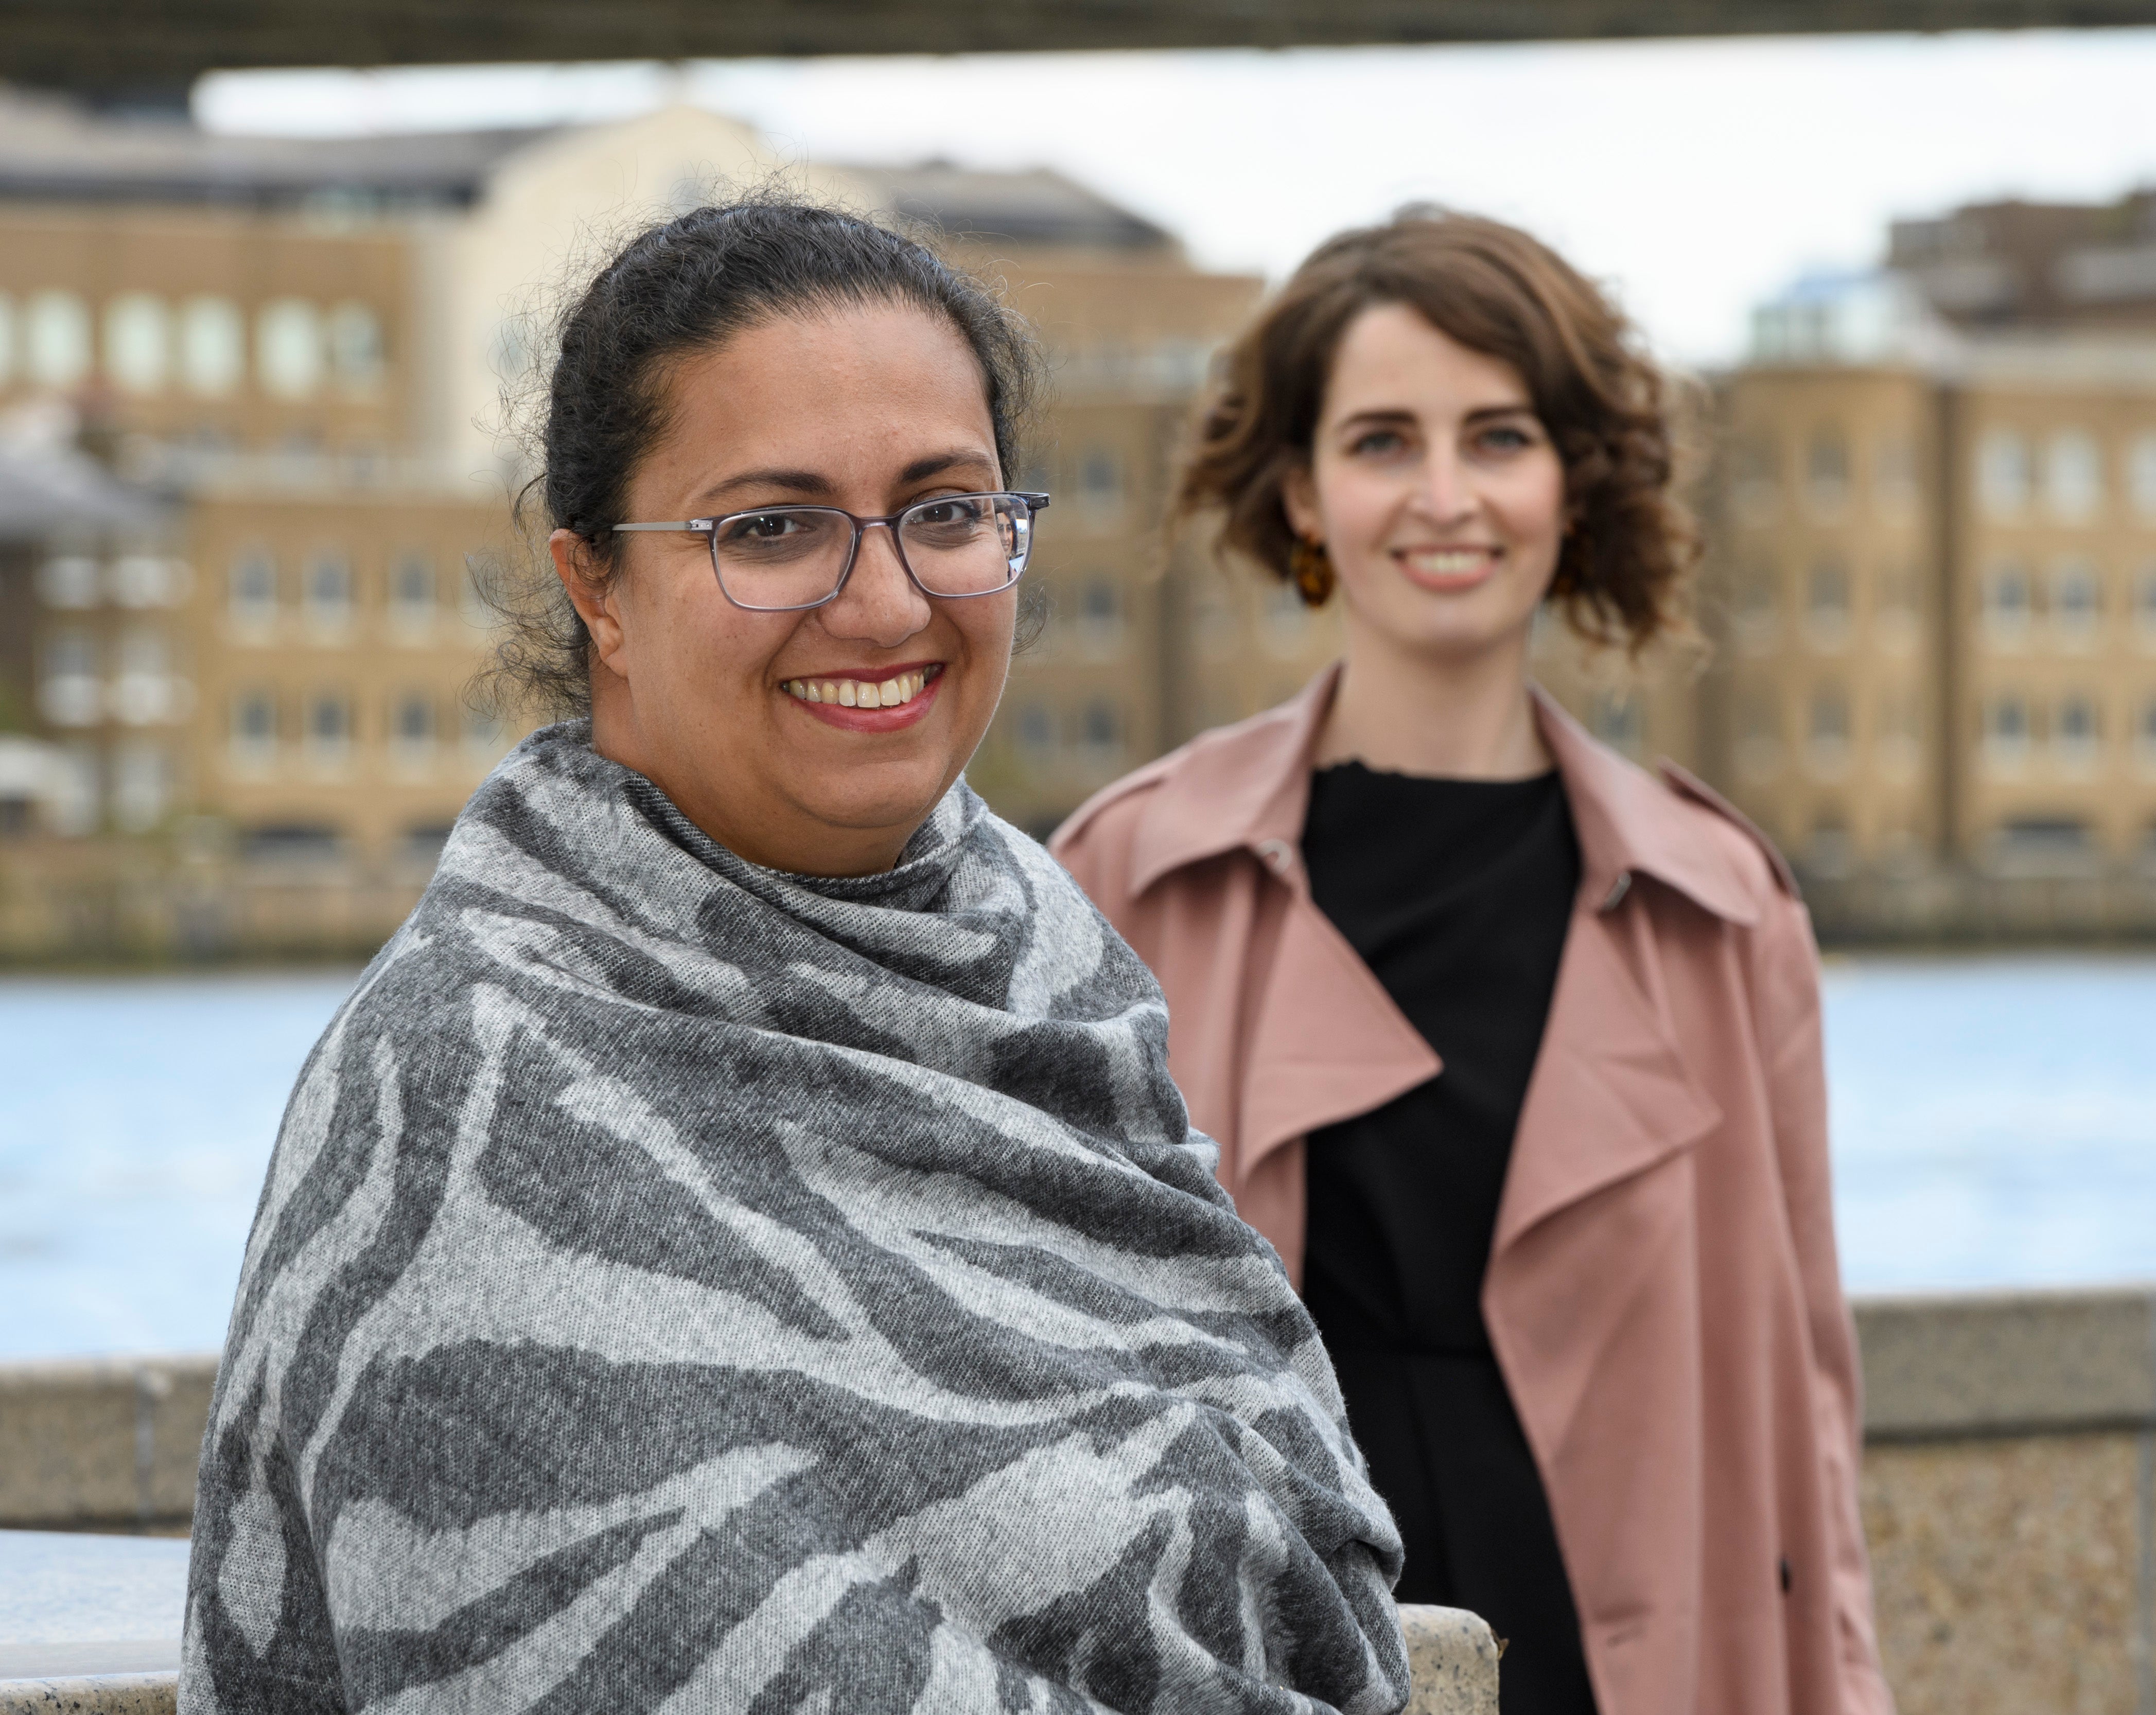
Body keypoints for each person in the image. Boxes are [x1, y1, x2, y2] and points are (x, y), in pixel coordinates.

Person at [180, 199, 1409, 1715]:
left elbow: (1308, 1539)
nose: (886, 600)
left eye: (946, 511)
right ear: (596, 590)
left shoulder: (1050, 969)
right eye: (772, 528)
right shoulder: (471, 1101)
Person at [1051, 209, 1892, 1715]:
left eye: (1497, 437)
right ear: (1302, 492)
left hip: (1625, 1666)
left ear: (1573, 481)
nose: (1445, 496)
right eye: (1383, 442)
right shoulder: (1125, 879)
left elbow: (1802, 1411)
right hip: (1267, 1667)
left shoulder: (1726, 910)